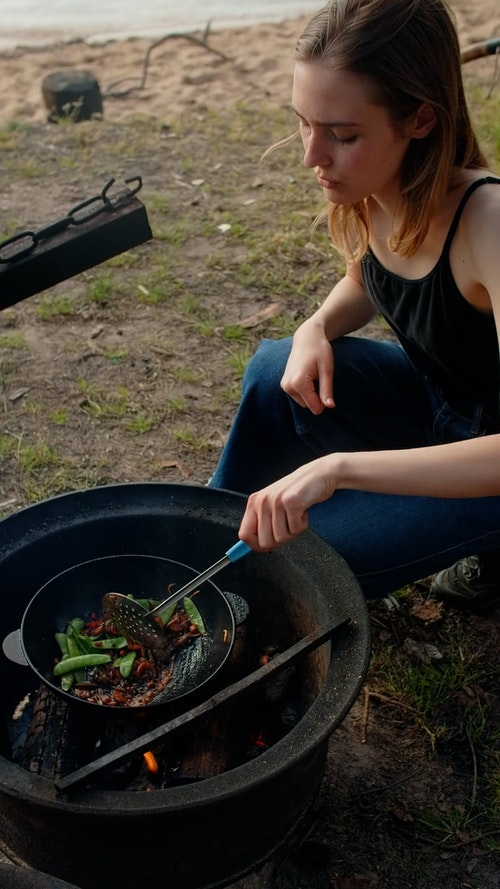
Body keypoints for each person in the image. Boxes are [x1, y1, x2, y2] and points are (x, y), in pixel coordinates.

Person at [209, 0, 500, 611]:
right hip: (439, 409)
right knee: (274, 368)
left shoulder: (488, 226)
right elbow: (368, 278)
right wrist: (314, 327)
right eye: (304, 124)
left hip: (488, 464)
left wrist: (341, 468)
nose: (311, 156)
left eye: (342, 135)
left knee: (313, 559)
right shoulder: (377, 184)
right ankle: (206, 540)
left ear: (420, 119)